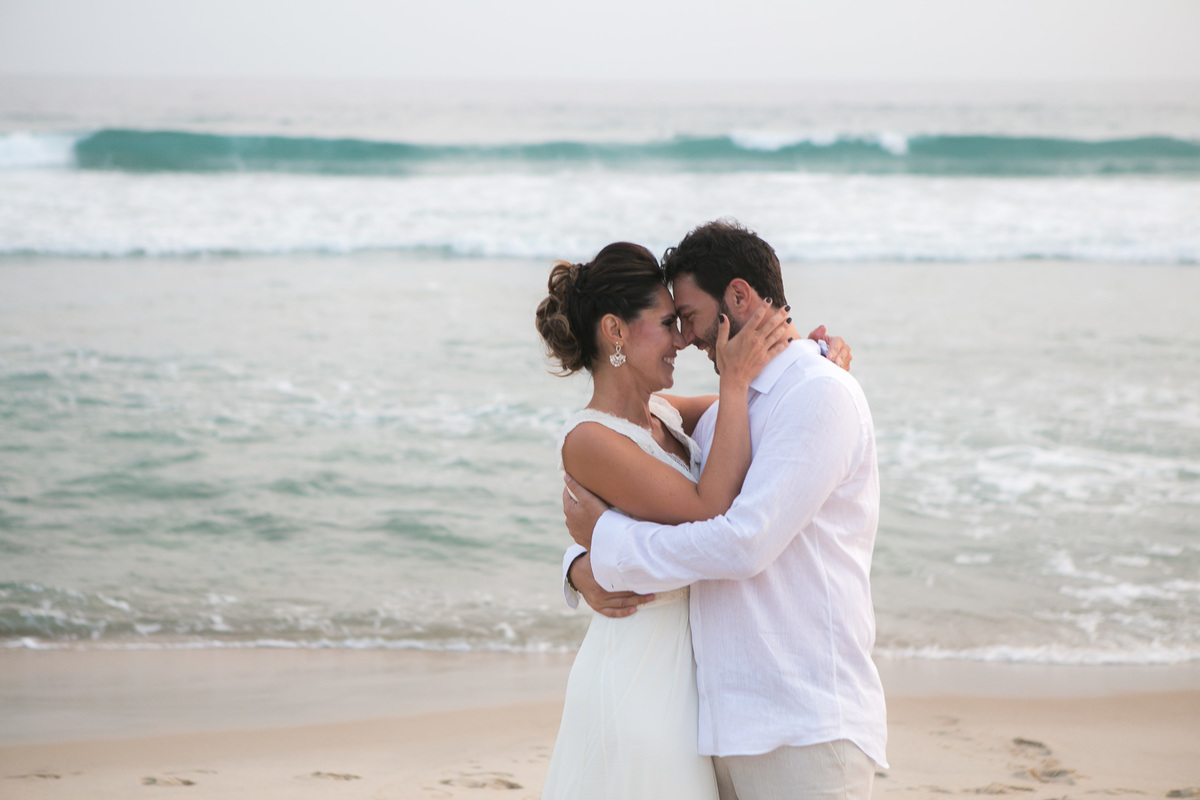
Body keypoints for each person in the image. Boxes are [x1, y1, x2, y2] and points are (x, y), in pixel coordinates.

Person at [562, 220, 886, 800]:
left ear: (737, 298)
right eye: (670, 322)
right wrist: (577, 563)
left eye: (684, 316)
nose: (684, 338)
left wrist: (605, 547)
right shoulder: (720, 417)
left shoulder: (816, 394)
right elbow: (646, 476)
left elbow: (741, 542)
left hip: (803, 726)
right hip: (716, 725)